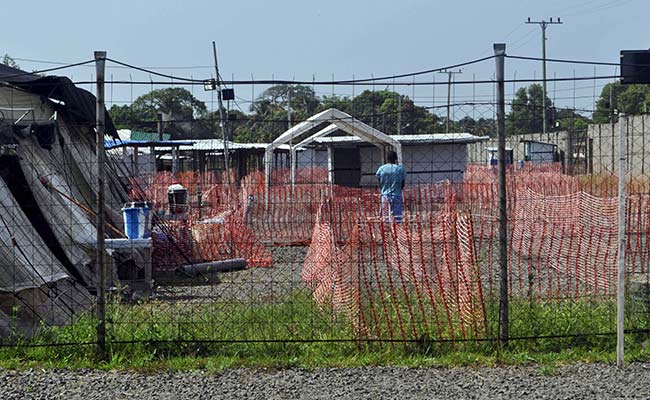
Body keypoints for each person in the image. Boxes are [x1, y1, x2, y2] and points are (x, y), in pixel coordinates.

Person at [376, 150, 406, 223]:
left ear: (387, 158)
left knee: (385, 215)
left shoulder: (381, 168)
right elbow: (403, 182)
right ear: (396, 159)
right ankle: (397, 229)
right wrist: (399, 189)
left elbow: (379, 182)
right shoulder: (400, 169)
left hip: (385, 195)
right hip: (396, 194)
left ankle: (386, 229)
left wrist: (383, 189)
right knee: (397, 216)